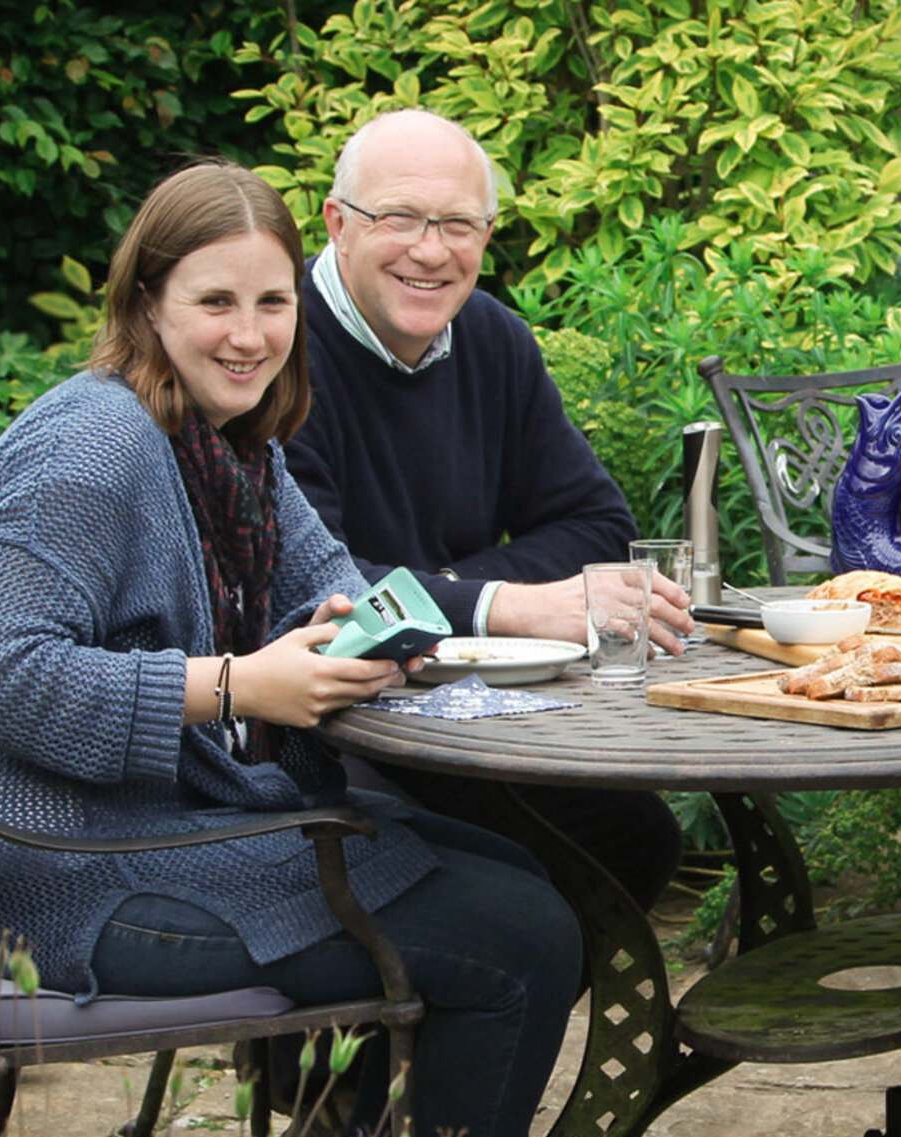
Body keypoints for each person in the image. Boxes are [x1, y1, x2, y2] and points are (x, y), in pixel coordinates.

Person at [0, 160, 634, 1137]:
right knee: (516, 944)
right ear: (146, 301)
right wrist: (236, 685)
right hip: (69, 870)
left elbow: (330, 581)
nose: (250, 335)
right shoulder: (93, 452)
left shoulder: (231, 441)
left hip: (177, 819)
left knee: (543, 882)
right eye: (217, 303)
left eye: (271, 305)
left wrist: (373, 628)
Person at [285, 108, 689, 912]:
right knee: (481, 891)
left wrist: (448, 594)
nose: (431, 251)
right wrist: (498, 605)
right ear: (337, 223)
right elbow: (313, 589)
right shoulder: (274, 343)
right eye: (399, 218)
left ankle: (478, 1034)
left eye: (459, 225)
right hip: (318, 727)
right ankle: (380, 1037)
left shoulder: (491, 337)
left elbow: (595, 525)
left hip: (463, 711)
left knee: (631, 836)